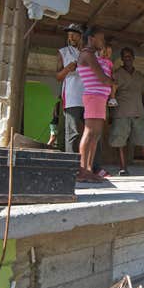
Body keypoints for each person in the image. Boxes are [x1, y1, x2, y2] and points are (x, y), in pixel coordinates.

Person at [109, 47, 144, 175]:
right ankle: (123, 168)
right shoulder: (116, 74)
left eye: (129, 56)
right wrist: (111, 113)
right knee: (120, 141)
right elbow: (111, 94)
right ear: (122, 59)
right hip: (121, 112)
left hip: (139, 112)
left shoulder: (139, 76)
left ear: (133, 58)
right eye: (125, 56)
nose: (128, 58)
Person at [77, 26, 114, 182]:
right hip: (93, 96)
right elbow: (102, 78)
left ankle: (89, 169)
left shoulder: (93, 55)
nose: (103, 42)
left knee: (96, 135)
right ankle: (82, 171)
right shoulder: (87, 54)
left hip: (99, 98)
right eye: (101, 38)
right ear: (91, 38)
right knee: (90, 132)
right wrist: (113, 82)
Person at [56, 23, 84, 153]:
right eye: (69, 35)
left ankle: (88, 165)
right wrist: (68, 68)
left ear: (80, 36)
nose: (71, 37)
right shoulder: (63, 52)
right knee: (73, 133)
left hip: (88, 97)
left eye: (74, 34)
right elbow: (58, 76)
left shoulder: (88, 53)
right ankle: (71, 165)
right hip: (72, 98)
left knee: (89, 132)